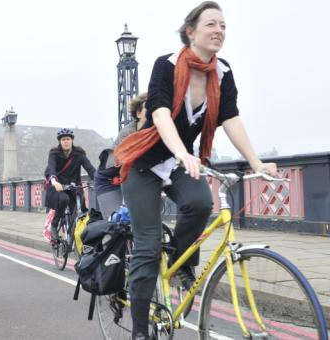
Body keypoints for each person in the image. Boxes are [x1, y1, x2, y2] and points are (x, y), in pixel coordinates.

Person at [114, 2, 277, 338]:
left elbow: (229, 117)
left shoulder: (223, 72)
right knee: (147, 246)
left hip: (178, 159)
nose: (219, 30)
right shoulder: (167, 65)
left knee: (201, 203)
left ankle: (180, 261)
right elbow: (159, 114)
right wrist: (181, 152)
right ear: (191, 31)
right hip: (144, 162)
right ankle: (140, 331)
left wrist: (257, 162)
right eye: (211, 24)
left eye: (223, 25)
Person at [95, 93, 147, 220]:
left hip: (132, 176)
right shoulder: (128, 133)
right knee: (115, 224)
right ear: (138, 113)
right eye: (149, 107)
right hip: (109, 180)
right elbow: (128, 160)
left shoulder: (158, 130)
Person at [44, 128, 96, 242]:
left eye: (68, 139)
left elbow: (90, 169)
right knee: (63, 199)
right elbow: (51, 168)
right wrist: (54, 181)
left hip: (74, 187)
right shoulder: (54, 154)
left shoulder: (79, 154)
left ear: (72, 140)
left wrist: (99, 180)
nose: (66, 142)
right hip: (58, 187)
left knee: (79, 212)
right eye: (63, 140)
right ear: (60, 142)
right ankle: (54, 224)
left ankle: (74, 235)